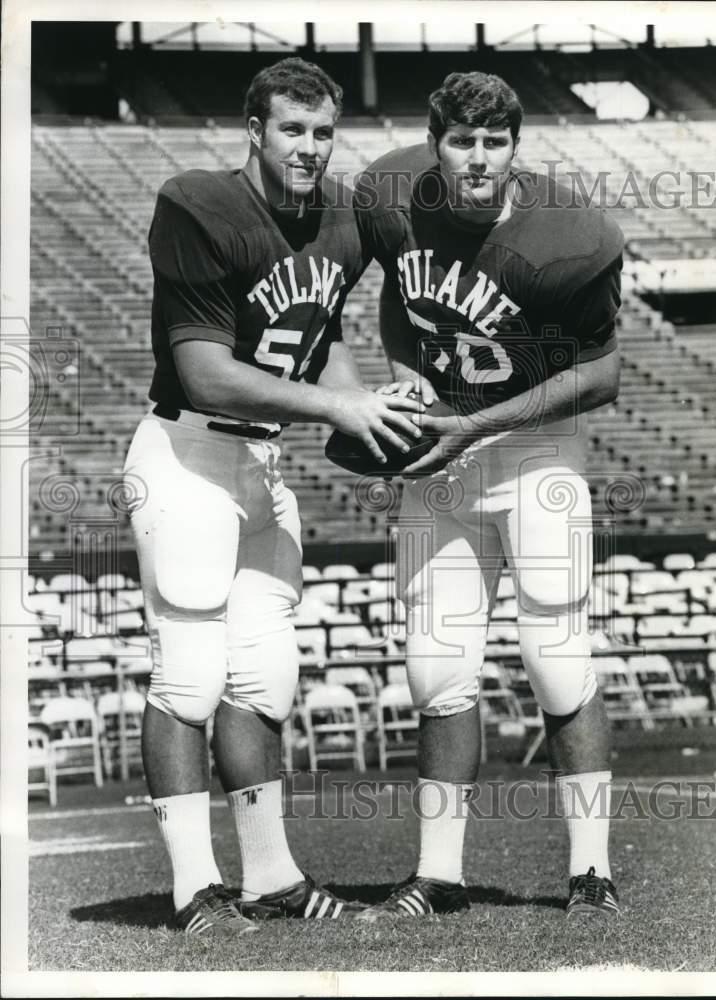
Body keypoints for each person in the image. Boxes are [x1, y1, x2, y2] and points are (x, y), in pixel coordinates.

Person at [123, 57, 422, 935]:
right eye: (293, 129)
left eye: (324, 132)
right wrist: (339, 405)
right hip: (187, 453)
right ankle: (193, 892)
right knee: (187, 676)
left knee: (265, 678)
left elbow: (317, 335)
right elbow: (207, 373)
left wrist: (373, 409)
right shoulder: (196, 203)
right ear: (254, 130)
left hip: (262, 466)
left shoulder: (342, 217)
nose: (310, 147)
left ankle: (273, 880)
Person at [354, 71, 624, 918]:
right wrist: (408, 389)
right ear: (435, 144)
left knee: (558, 655)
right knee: (437, 668)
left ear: (516, 146)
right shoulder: (388, 196)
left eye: (494, 143)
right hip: (444, 449)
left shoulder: (573, 233)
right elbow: (402, 305)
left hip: (535, 449)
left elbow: (604, 372)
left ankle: (590, 871)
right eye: (462, 142)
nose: (478, 160)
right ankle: (439, 875)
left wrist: (476, 428)